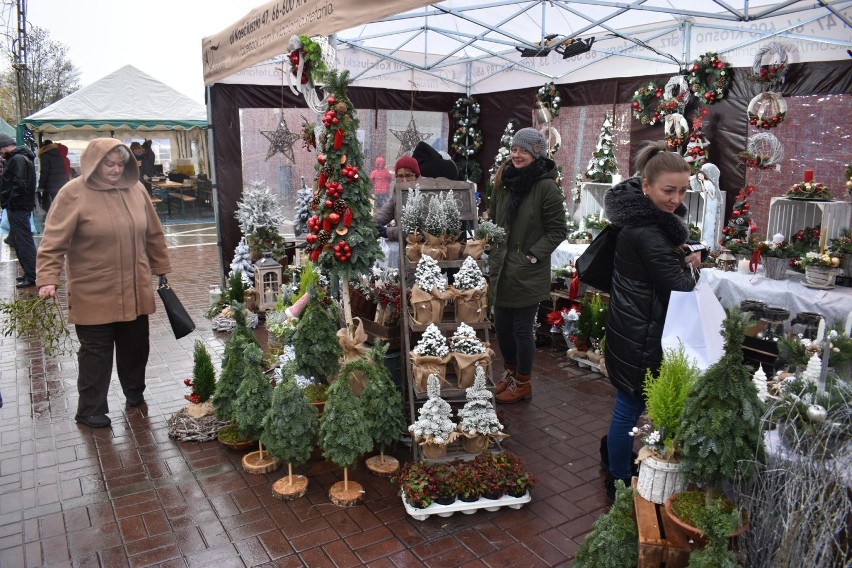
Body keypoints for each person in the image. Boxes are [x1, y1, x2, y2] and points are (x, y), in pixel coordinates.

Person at [36, 138, 172, 429]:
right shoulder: (73, 193)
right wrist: (47, 277)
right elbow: (53, 241)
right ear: (94, 163)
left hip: (135, 286)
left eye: (120, 164)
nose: (114, 169)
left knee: (136, 345)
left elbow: (153, 234)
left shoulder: (136, 190)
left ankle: (134, 391)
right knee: (95, 351)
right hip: (93, 289)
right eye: (108, 164)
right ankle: (90, 409)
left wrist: (160, 267)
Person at [602, 140, 704, 503]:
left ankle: (614, 460)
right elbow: (679, 288)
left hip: (633, 327)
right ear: (646, 187)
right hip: (641, 335)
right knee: (628, 408)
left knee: (625, 405)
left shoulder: (643, 222)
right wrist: (692, 267)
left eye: (681, 190)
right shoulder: (648, 231)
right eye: (668, 190)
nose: (676, 199)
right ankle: (617, 478)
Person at [488, 128, 567, 404]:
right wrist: (488, 240)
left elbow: (558, 230)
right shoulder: (504, 180)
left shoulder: (546, 187)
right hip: (502, 267)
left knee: (522, 330)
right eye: (514, 150)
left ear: (536, 153)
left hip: (527, 270)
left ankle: (523, 382)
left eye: (523, 150)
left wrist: (533, 255)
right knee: (501, 326)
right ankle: (510, 374)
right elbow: (495, 219)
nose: (517, 155)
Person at [0, 132, 38, 288]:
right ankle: (29, 272)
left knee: (23, 242)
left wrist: (10, 202)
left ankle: (31, 274)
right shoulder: (21, 158)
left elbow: (19, 184)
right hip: (20, 206)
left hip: (18, 207)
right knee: (21, 240)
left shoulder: (17, 159)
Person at [374, 155, 420, 242]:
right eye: (401, 176)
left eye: (408, 175)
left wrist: (387, 232)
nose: (404, 180)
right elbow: (388, 210)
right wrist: (372, 222)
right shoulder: (398, 189)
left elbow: (416, 229)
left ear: (416, 176)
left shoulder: (422, 193)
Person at [690, 162, 721, 251]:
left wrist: (710, 196)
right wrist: (700, 182)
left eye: (701, 176)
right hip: (709, 200)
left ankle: (709, 245)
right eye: (698, 176)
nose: (700, 177)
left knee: (710, 222)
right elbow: (704, 191)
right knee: (707, 221)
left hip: (712, 202)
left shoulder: (709, 182)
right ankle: (706, 244)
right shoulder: (704, 182)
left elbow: (713, 193)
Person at [37, 139, 71, 212]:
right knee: (61, 207)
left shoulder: (45, 155)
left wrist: (40, 187)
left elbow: (44, 172)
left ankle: (53, 222)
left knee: (50, 207)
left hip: (50, 187)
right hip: (63, 185)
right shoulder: (61, 154)